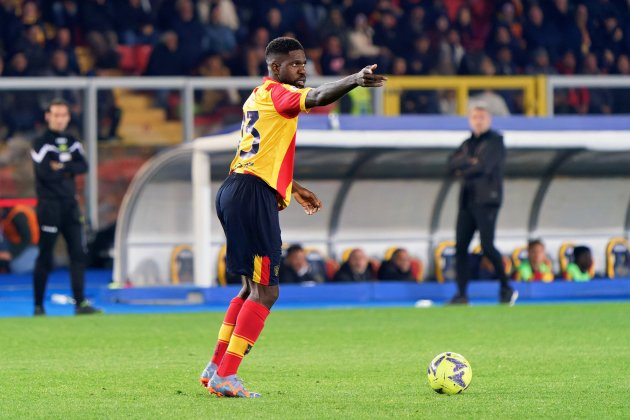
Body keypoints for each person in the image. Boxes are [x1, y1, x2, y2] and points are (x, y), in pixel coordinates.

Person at [199, 37, 386, 398]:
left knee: (250, 287)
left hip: (236, 188)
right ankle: (226, 375)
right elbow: (315, 98)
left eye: (304, 63)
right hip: (251, 195)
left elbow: (262, 153)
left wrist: (294, 187)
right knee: (267, 290)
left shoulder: (257, 96)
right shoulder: (280, 94)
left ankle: (216, 367)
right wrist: (354, 80)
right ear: (275, 67)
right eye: (295, 64)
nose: (302, 70)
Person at [31, 98, 101, 316]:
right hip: (49, 206)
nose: (60, 119)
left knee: (78, 254)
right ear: (48, 116)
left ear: (68, 117)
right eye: (56, 115)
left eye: (64, 115)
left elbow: (84, 166)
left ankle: (80, 304)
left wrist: (59, 166)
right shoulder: (40, 142)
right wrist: (68, 167)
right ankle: (39, 306)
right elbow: (44, 173)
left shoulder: (72, 140)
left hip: (70, 205)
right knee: (46, 256)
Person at [447, 104, 518, 305]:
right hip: (467, 200)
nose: (478, 120)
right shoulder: (467, 143)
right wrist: (471, 163)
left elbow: (485, 167)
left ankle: (506, 287)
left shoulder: (496, 141)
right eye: (475, 117)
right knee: (460, 246)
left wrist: (465, 167)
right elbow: (450, 165)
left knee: (487, 246)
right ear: (470, 120)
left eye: (482, 117)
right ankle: (461, 294)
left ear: (489, 120)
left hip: (487, 200)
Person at [0, 205, 40, 274]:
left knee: (18, 267)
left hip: (31, 246)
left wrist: (11, 254)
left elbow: (27, 239)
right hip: (13, 244)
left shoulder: (18, 215)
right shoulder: (4, 217)